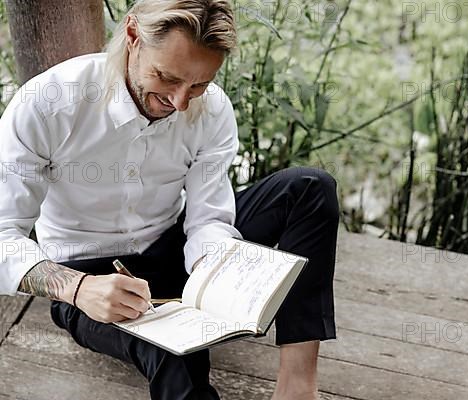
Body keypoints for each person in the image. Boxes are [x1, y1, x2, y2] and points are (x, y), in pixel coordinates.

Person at [0, 1, 339, 399]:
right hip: (90, 276)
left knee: (309, 187)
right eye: (167, 77)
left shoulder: (211, 109)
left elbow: (208, 219)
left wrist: (216, 269)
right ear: (132, 37)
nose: (180, 103)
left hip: (173, 248)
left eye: (198, 85)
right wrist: (77, 288)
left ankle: (297, 386)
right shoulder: (48, 101)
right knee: (174, 355)